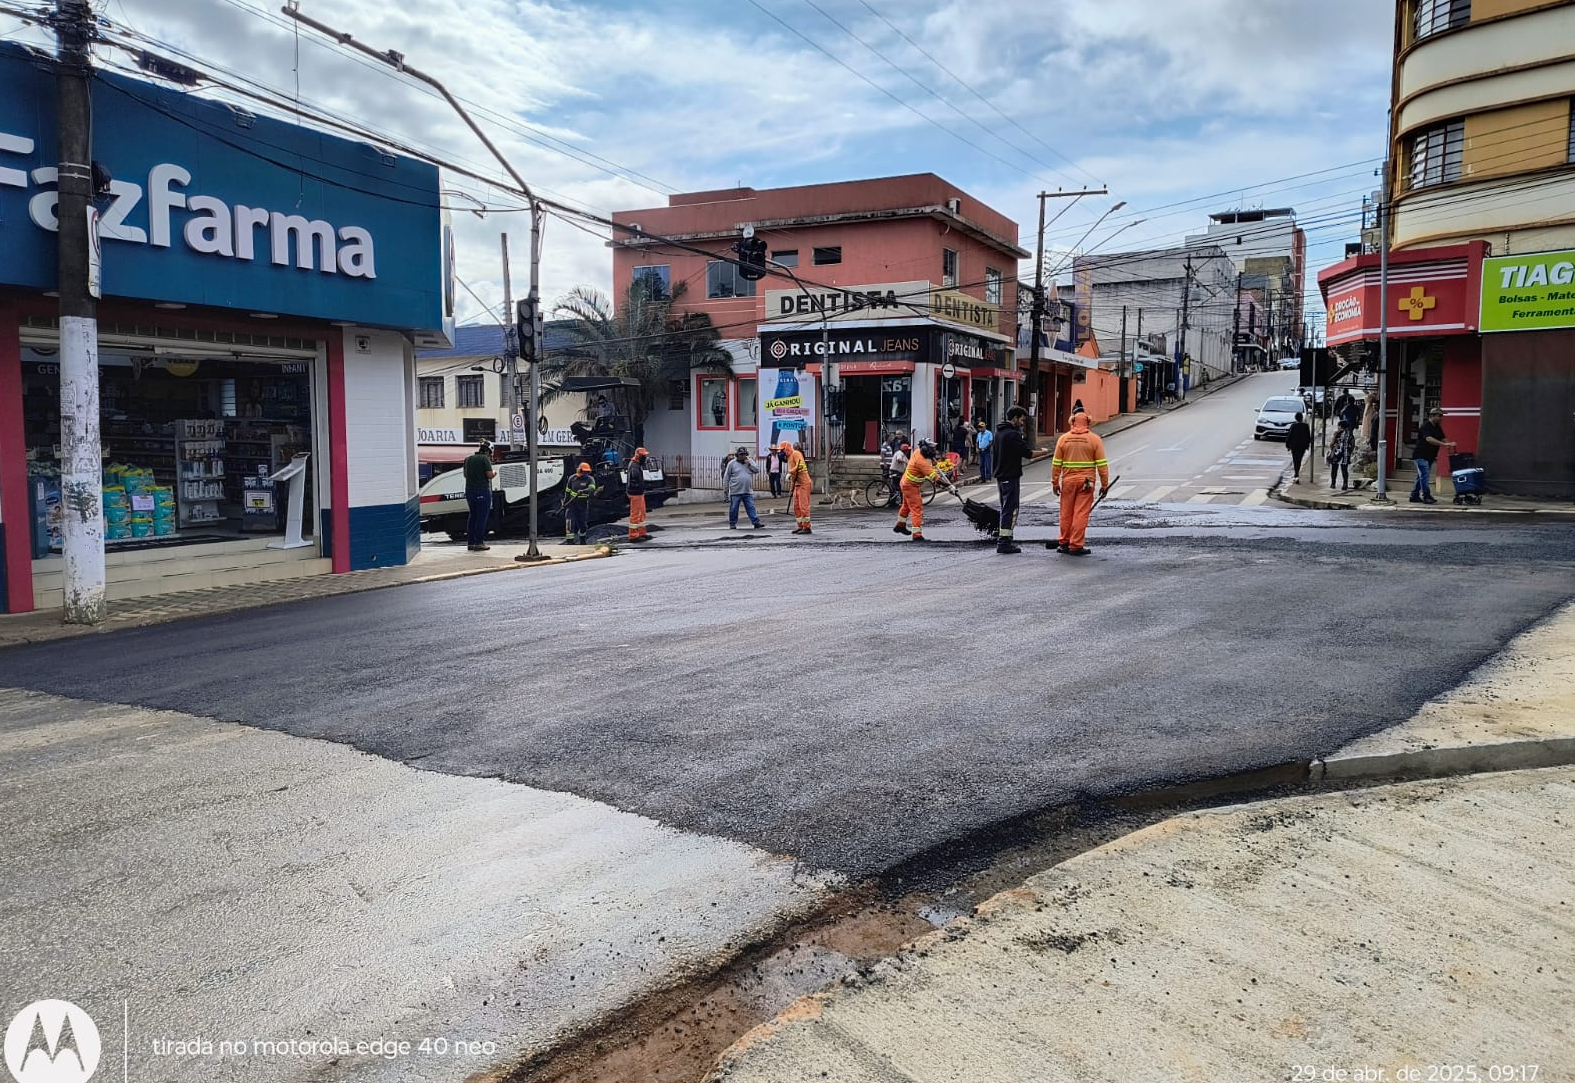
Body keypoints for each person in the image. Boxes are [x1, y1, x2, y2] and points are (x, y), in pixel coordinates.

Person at [1050, 411, 1109, 556]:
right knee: (1080, 513)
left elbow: (1056, 464)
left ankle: (1064, 542)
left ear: (1072, 421)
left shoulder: (1063, 439)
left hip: (1068, 481)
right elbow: (1102, 465)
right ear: (1088, 422)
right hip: (1087, 483)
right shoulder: (1094, 440)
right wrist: (1104, 484)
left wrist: (1055, 482)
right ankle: (1076, 545)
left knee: (1066, 513)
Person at [894, 439, 956, 543]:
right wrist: (949, 486)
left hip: (905, 482)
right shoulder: (922, 463)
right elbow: (936, 478)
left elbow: (927, 457)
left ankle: (900, 525)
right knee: (917, 508)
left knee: (906, 505)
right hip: (910, 486)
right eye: (932, 449)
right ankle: (917, 535)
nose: (934, 451)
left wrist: (932, 459)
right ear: (927, 450)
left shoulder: (918, 452)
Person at [993, 406, 1033, 555]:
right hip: (1010, 476)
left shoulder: (999, 432)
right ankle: (1004, 542)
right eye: (1021, 419)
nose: (1022, 422)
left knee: (1006, 508)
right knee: (1010, 509)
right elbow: (1027, 453)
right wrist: (1046, 453)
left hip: (1001, 476)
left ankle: (1006, 538)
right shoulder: (1013, 434)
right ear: (1015, 418)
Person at [1410, 406, 1455, 504]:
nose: (1441, 418)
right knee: (1424, 476)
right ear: (1432, 416)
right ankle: (1426, 496)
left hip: (1429, 456)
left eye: (1441, 416)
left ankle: (1414, 495)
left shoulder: (1437, 427)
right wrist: (1444, 444)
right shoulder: (1425, 426)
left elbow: (1442, 437)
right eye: (1439, 416)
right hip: (1421, 455)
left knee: (1421, 476)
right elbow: (1429, 439)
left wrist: (1449, 443)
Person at [462, 439, 496, 551]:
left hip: (469, 491)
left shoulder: (468, 459)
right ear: (489, 451)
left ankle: (470, 543)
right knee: (481, 518)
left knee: (472, 517)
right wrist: (495, 473)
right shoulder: (484, 459)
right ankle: (479, 543)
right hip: (482, 491)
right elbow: (489, 475)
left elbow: (465, 475)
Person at [721, 447, 765, 529]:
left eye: (745, 454)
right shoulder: (732, 463)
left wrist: (749, 464)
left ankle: (756, 522)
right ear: (737, 455)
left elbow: (756, 470)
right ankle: (732, 523)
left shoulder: (750, 461)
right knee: (734, 508)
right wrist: (725, 489)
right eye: (741, 454)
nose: (743, 456)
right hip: (735, 491)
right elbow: (726, 477)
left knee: (751, 507)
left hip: (747, 491)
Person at [562, 461, 600, 544]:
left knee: (582, 525)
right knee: (569, 523)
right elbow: (567, 492)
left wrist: (583, 491)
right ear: (580, 470)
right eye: (584, 472)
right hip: (571, 505)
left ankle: (582, 541)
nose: (585, 473)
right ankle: (570, 542)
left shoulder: (590, 479)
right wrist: (565, 503)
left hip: (582, 505)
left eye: (587, 472)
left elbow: (592, 489)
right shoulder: (572, 479)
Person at [782, 439, 813, 534]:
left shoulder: (796, 453)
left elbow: (801, 465)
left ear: (786, 449)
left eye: (782, 450)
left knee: (803, 506)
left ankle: (807, 527)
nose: (781, 453)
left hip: (804, 483)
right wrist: (791, 488)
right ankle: (800, 526)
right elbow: (794, 476)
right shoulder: (789, 458)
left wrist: (790, 472)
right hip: (797, 484)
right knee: (796, 507)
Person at [626, 446, 651, 542]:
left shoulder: (636, 464)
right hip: (635, 493)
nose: (645, 458)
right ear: (639, 456)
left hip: (639, 493)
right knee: (635, 514)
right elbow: (635, 478)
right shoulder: (634, 465)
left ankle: (641, 533)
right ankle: (633, 535)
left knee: (641, 514)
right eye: (643, 456)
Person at [1327, 420, 1354, 491]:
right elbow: (1353, 445)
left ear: (1340, 426)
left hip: (1336, 453)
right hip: (1345, 454)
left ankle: (1333, 483)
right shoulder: (1350, 434)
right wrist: (1349, 451)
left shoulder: (1337, 433)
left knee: (1334, 469)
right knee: (1344, 470)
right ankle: (1345, 484)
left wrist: (1332, 448)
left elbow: (1332, 443)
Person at [1286, 411, 1312, 483]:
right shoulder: (1305, 426)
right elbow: (1308, 437)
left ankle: (1296, 473)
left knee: (1295, 460)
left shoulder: (1293, 426)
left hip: (1294, 446)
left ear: (1295, 418)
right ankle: (1296, 474)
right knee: (1299, 459)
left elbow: (1289, 436)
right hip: (1302, 446)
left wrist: (1288, 445)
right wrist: (1307, 445)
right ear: (1302, 418)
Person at [888, 442, 910, 508]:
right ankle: (900, 502)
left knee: (898, 487)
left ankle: (895, 502)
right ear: (905, 450)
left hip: (899, 472)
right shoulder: (899, 453)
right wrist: (905, 462)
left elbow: (909, 462)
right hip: (895, 472)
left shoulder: (903, 455)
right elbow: (899, 459)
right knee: (901, 486)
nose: (908, 451)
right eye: (907, 450)